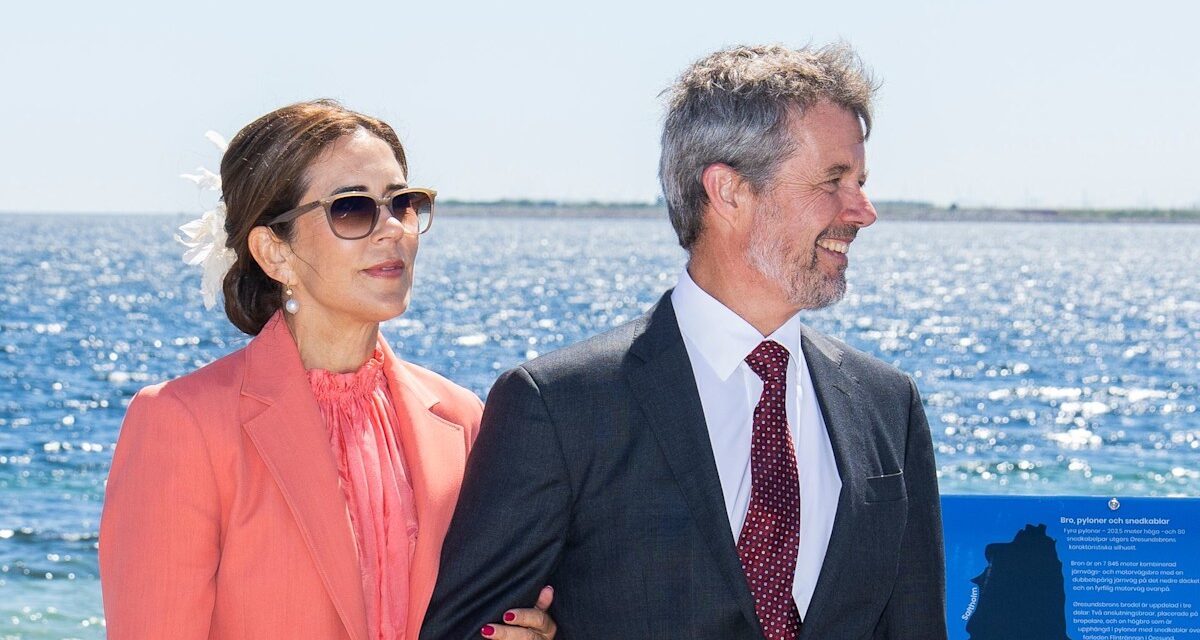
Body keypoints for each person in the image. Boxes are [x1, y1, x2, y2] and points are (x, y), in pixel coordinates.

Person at [421, 44, 947, 639]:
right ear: (728, 192)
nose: (864, 211)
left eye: (862, 182)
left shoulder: (887, 406)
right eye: (834, 180)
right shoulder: (558, 407)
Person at [100, 100, 556, 640]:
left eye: (403, 204)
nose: (393, 230)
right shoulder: (181, 424)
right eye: (352, 209)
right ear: (275, 252)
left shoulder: (462, 419)